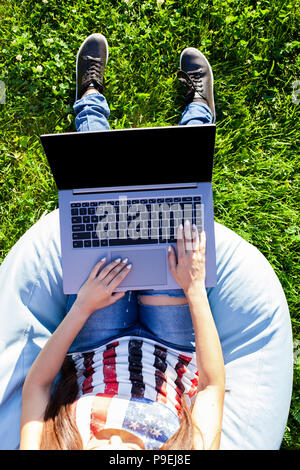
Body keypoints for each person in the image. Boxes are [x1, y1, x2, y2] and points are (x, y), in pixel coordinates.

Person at [20, 34, 225, 450]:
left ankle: (90, 102)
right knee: (174, 207)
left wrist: (83, 306)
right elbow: (210, 389)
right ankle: (198, 114)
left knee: (98, 198)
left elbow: (37, 388)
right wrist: (194, 289)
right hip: (170, 346)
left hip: (96, 337)